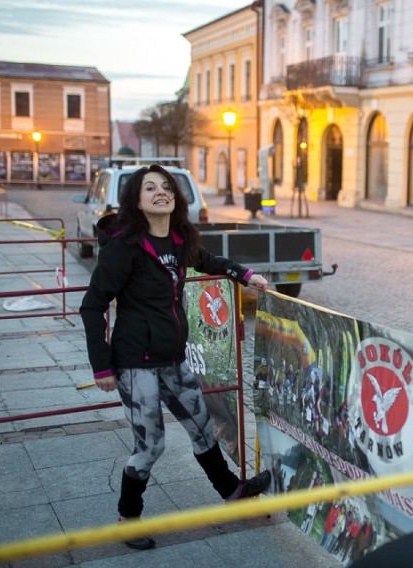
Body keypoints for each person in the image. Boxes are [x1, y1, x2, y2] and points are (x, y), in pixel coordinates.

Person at [80, 164, 272, 550]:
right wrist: (102, 366)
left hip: (173, 358)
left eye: (166, 187)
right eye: (149, 188)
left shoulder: (179, 239)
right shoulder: (125, 247)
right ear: (136, 200)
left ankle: (232, 493)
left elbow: (206, 260)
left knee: (202, 429)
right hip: (136, 363)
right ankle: (127, 518)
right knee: (151, 446)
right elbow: (92, 305)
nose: (160, 192)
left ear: (175, 197)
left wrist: (243, 273)